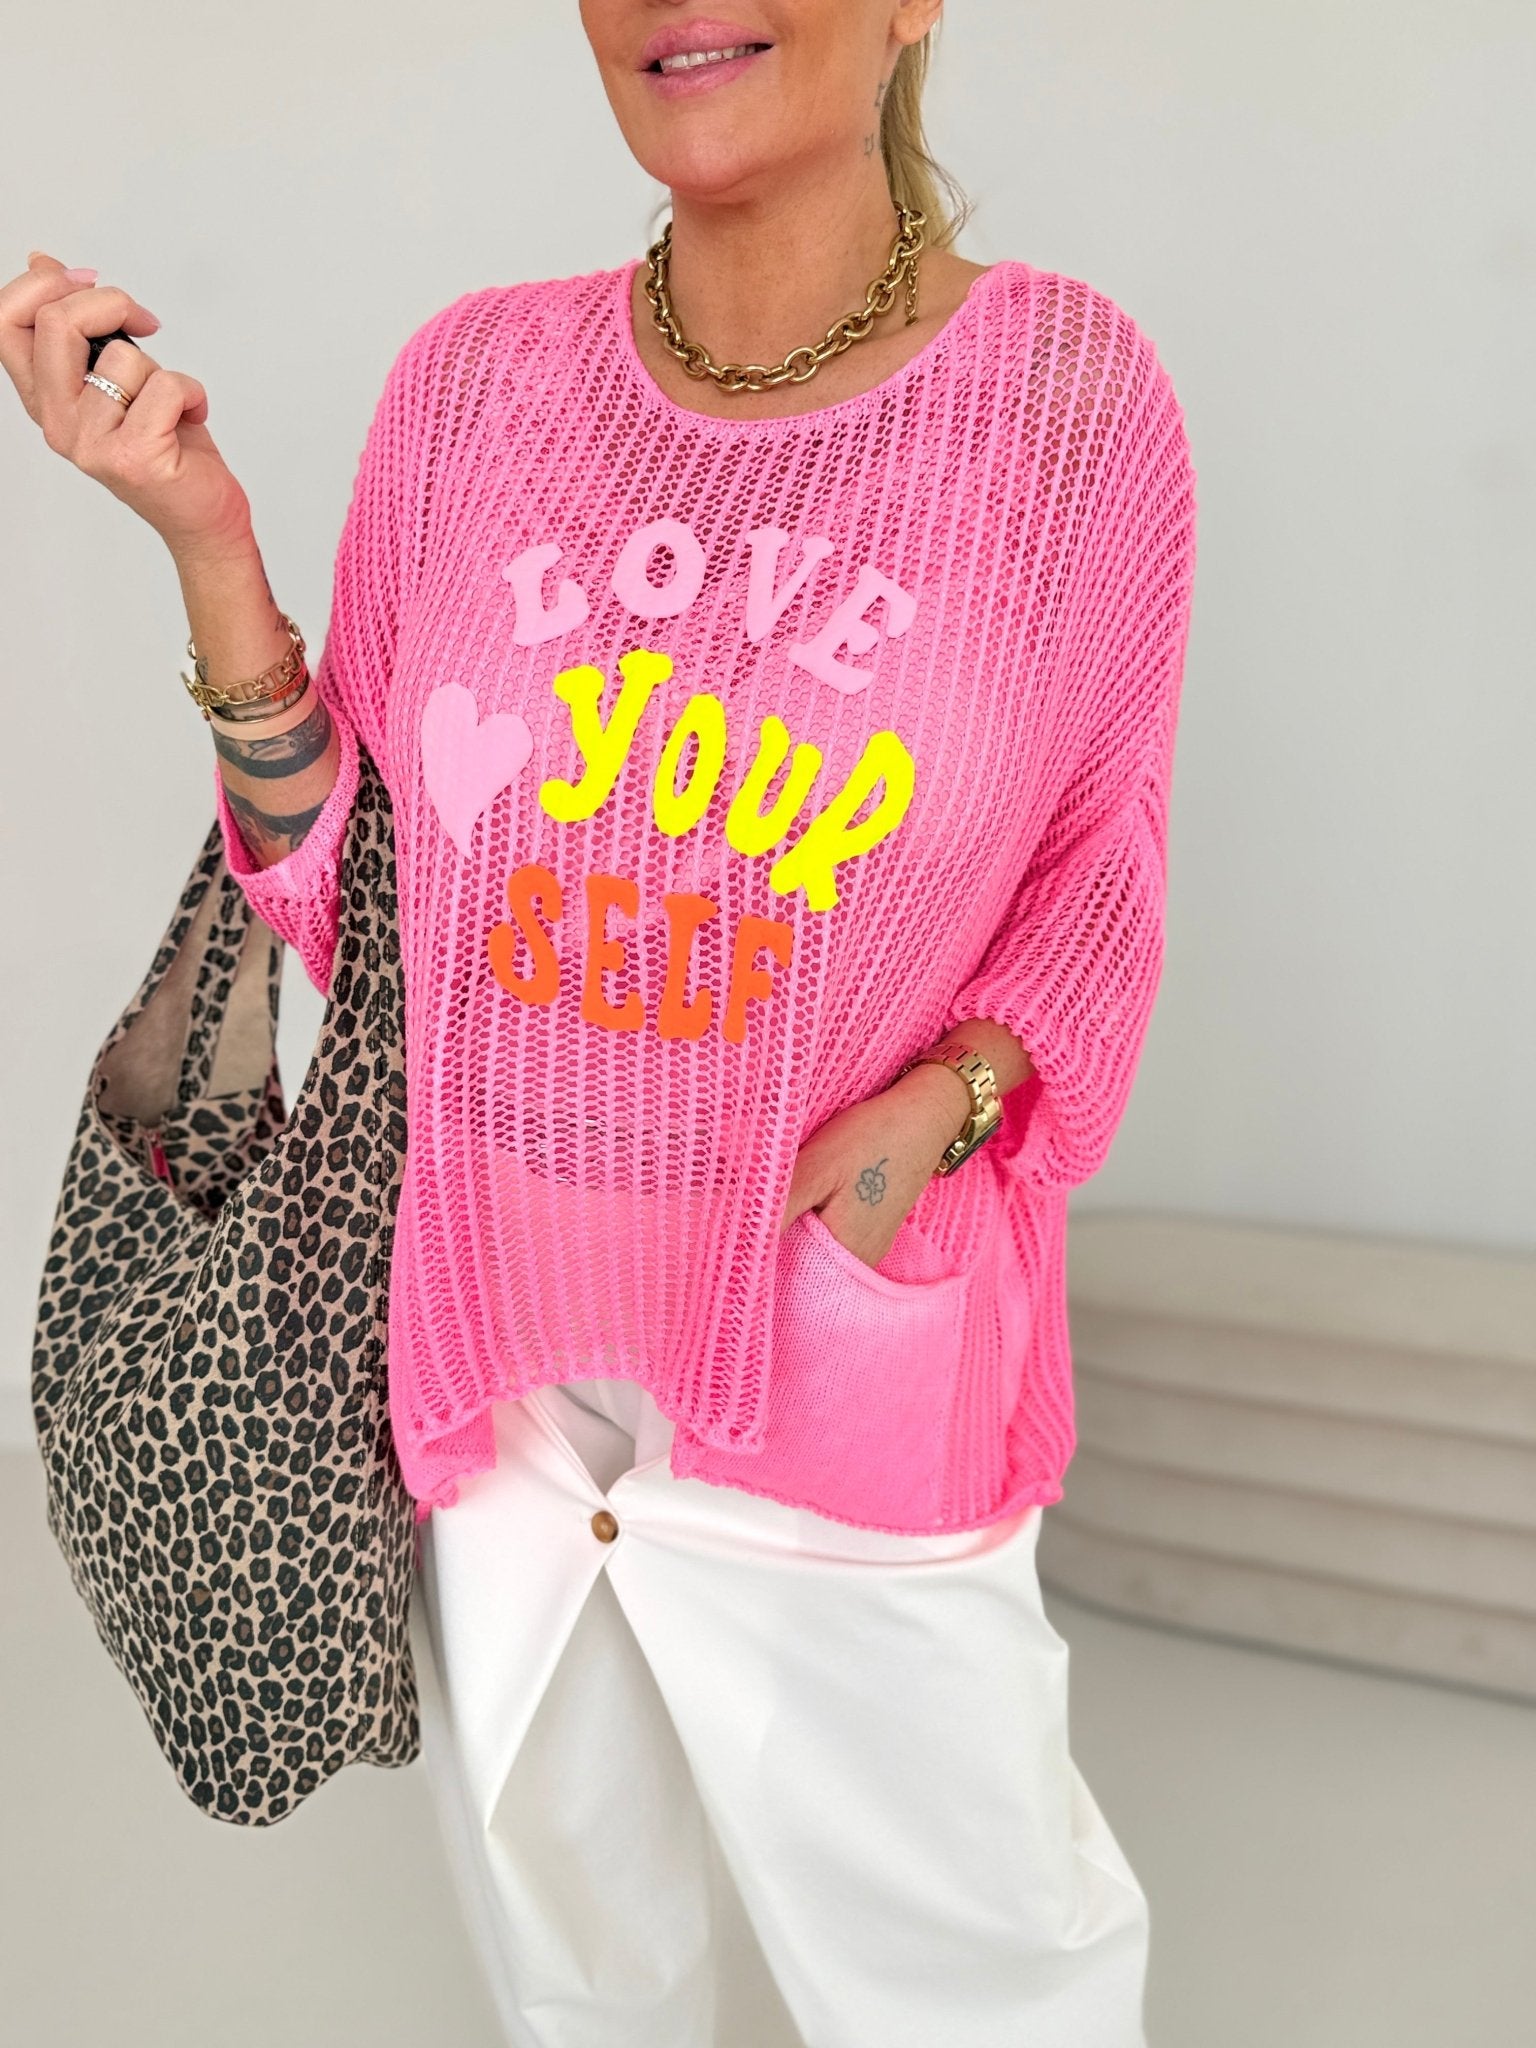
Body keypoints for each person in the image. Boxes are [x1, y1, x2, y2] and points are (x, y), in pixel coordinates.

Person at [4, 2, 1197, 2040]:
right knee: (584, 1991)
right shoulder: (476, 387)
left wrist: (945, 1105)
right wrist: (209, 539)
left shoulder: (1068, 398)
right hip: (506, 1379)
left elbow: (1105, 870)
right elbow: (358, 908)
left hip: (840, 1347)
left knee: (982, 1988)